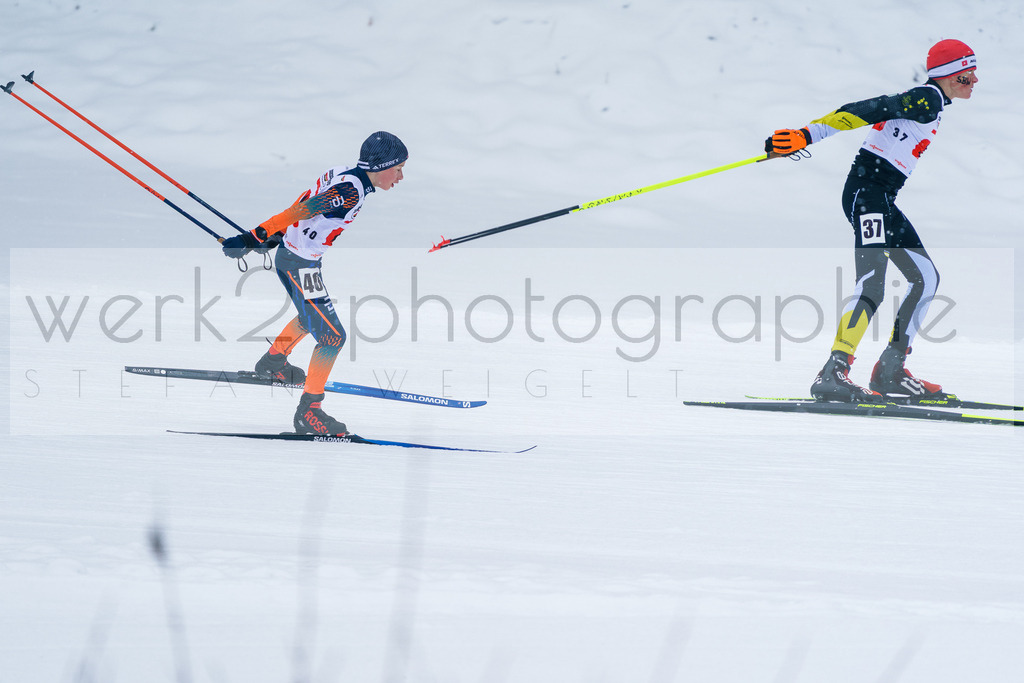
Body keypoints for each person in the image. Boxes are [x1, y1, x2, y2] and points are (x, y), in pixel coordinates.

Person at [764, 39, 978, 402]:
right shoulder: (927, 98)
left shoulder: (932, 101)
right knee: (872, 285)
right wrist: (807, 134)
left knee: (925, 278)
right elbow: (870, 108)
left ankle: (891, 370)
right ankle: (834, 371)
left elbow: (866, 107)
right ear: (946, 74)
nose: (972, 80)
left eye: (974, 74)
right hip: (869, 194)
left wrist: (807, 134)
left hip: (880, 196)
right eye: (964, 74)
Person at [221, 131, 408, 434]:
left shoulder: (343, 173)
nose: (400, 177)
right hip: (300, 263)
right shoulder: (350, 191)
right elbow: (299, 211)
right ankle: (310, 411)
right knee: (332, 336)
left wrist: (275, 236)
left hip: (296, 258)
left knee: (312, 318)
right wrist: (252, 237)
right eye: (398, 169)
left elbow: (304, 208)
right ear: (382, 166)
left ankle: (274, 363)